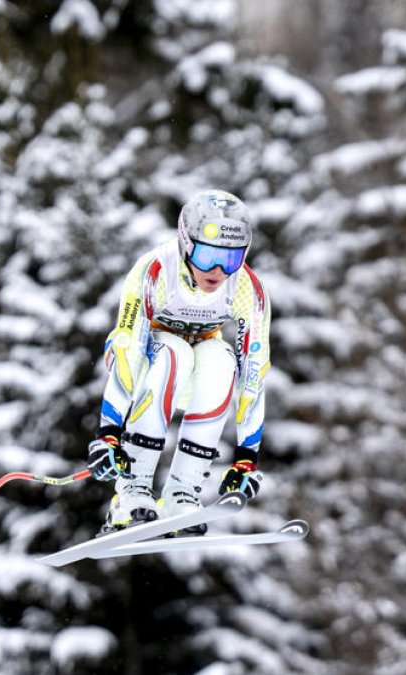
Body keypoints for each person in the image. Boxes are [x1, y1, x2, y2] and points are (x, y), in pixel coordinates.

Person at [87, 189, 270, 536]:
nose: (217, 270)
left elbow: (255, 369)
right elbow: (128, 347)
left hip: (194, 379)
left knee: (222, 358)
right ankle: (132, 491)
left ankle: (181, 493)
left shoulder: (247, 288)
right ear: (186, 244)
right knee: (175, 352)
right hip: (142, 366)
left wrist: (248, 456)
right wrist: (108, 432)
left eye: (230, 260)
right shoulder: (156, 271)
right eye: (206, 256)